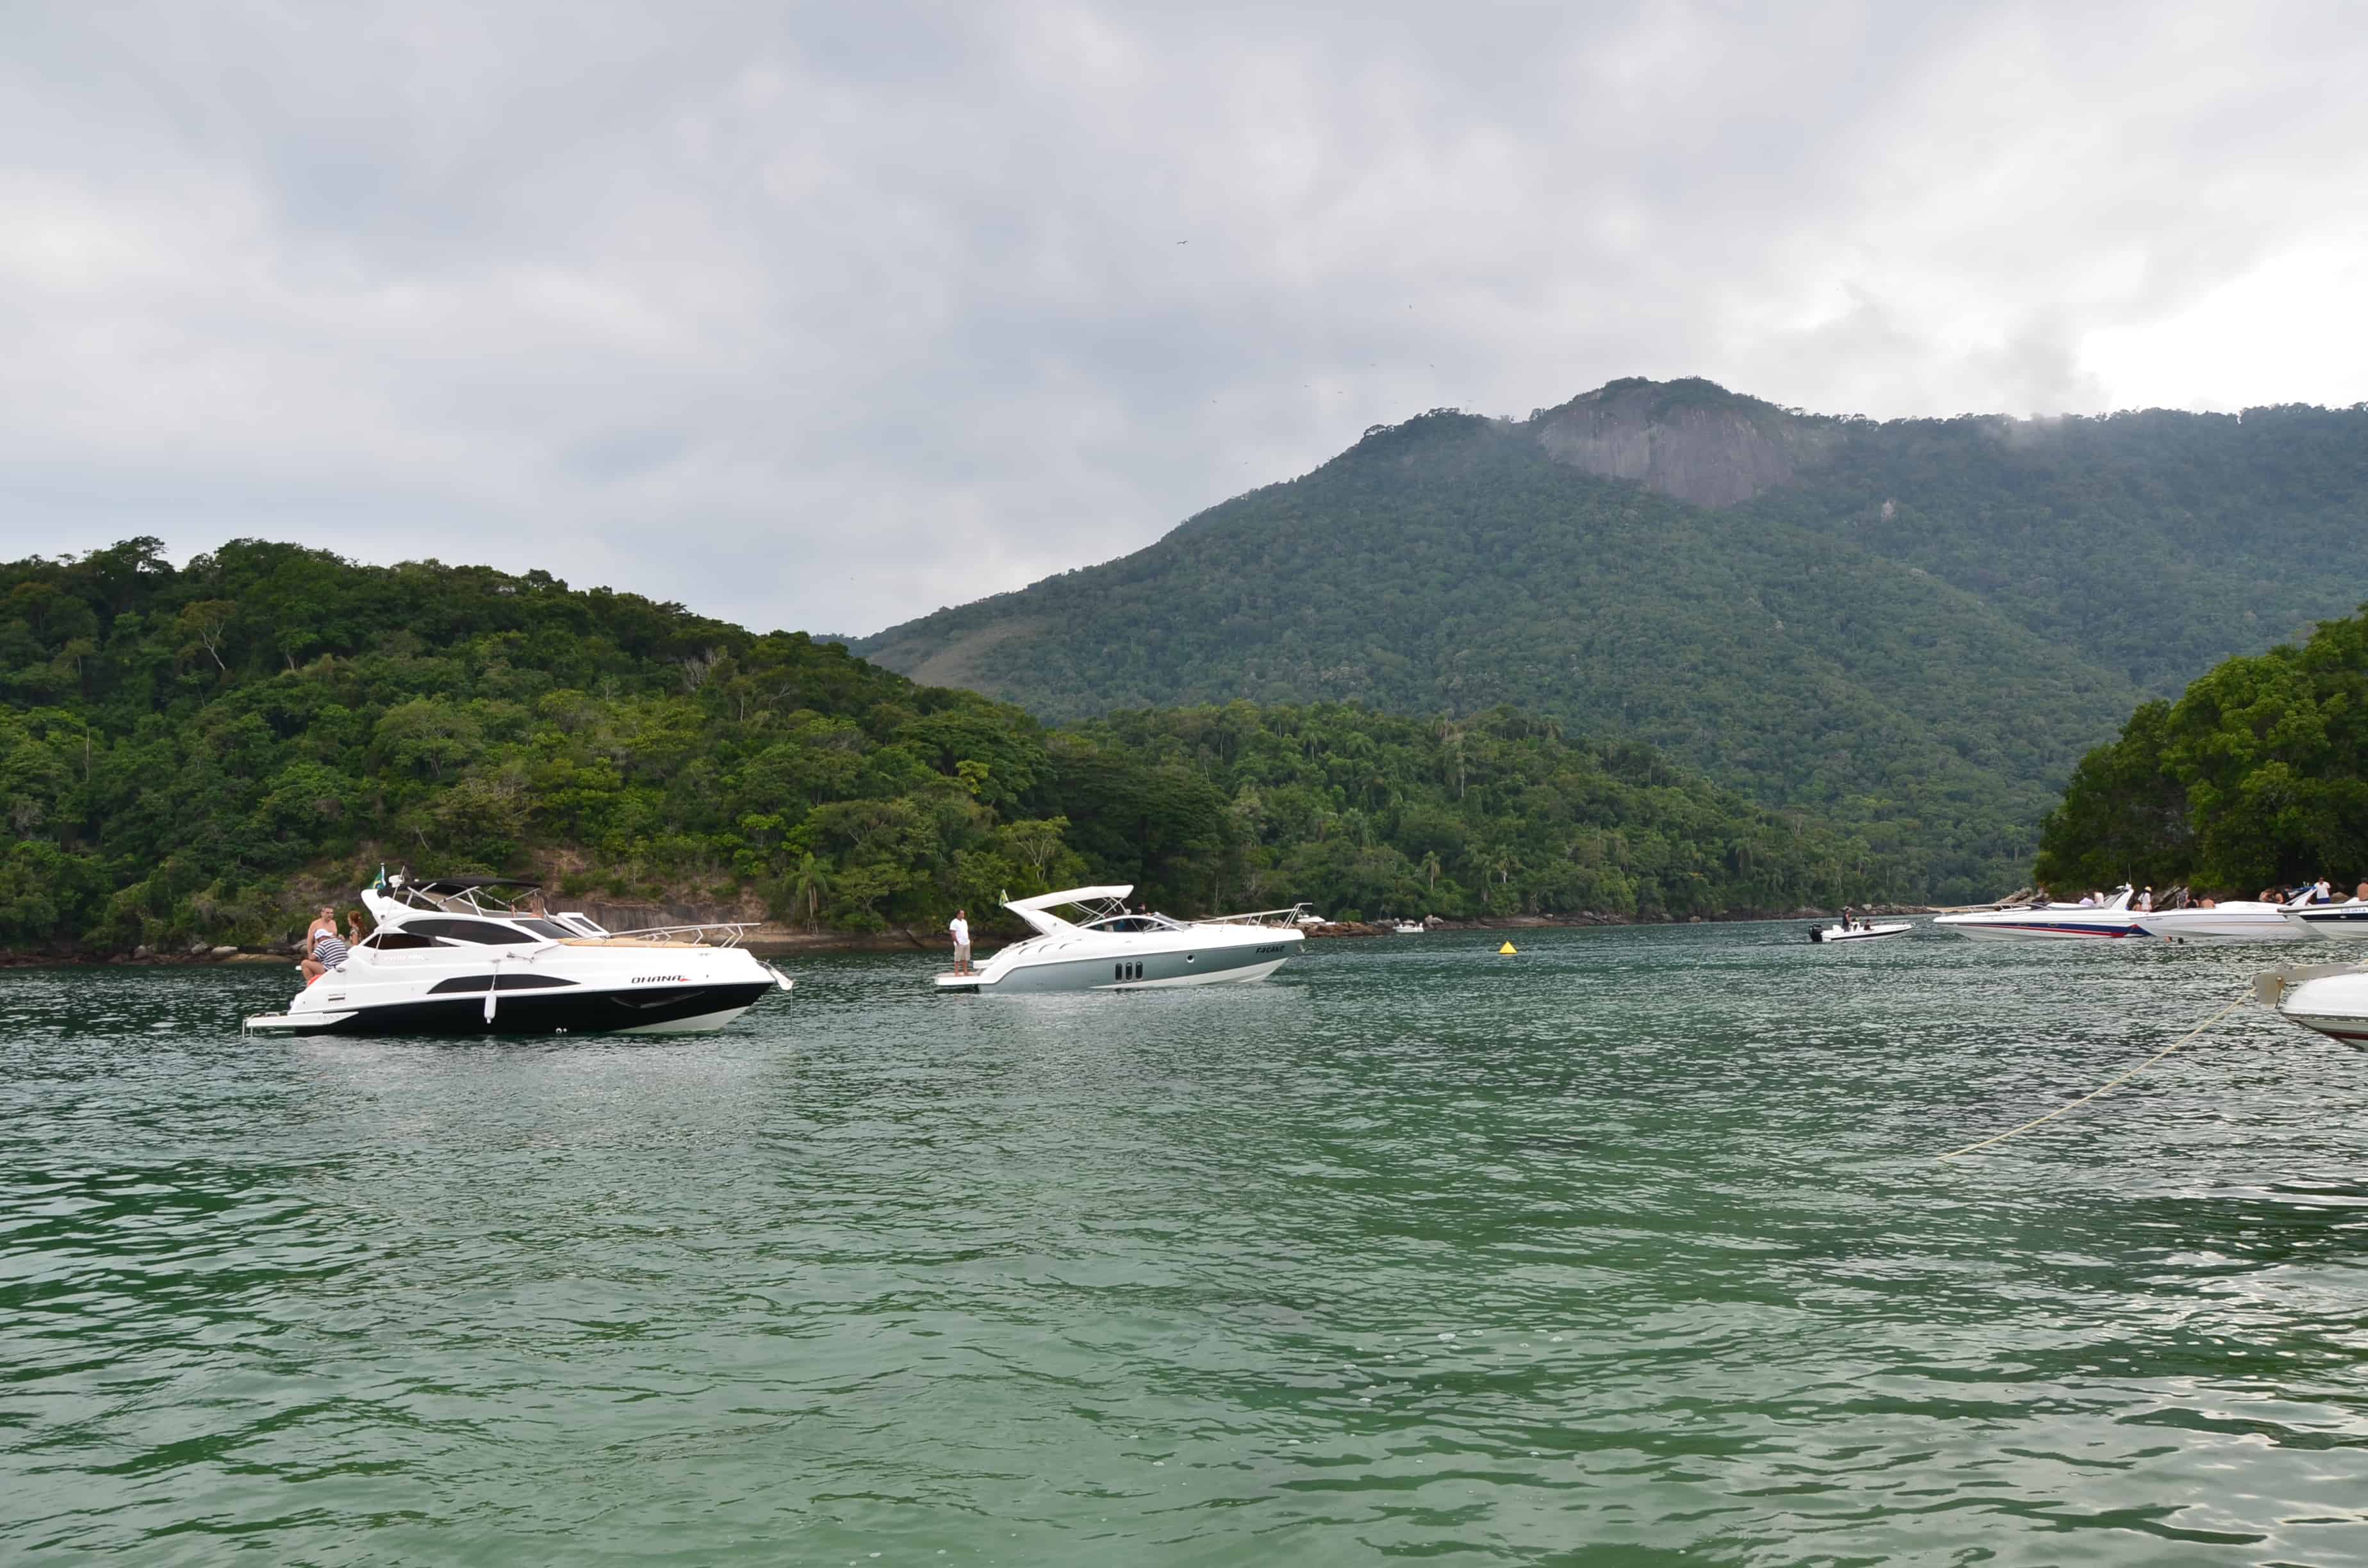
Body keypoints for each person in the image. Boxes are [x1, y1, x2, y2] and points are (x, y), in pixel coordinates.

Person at [300, 904, 347, 984]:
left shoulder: (333, 923)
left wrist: (341, 939)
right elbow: (309, 941)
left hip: (330, 955)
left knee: (305, 964)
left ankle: (315, 984)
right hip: (319, 953)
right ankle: (314, 984)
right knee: (311, 964)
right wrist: (310, 955)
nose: (330, 915)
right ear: (322, 913)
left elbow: (334, 937)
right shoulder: (315, 924)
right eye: (328, 913)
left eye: (332, 913)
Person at [950, 908, 971, 976]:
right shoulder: (954, 922)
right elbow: (952, 933)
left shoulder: (965, 921)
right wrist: (957, 942)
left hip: (966, 942)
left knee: (965, 958)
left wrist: (968, 940)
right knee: (957, 958)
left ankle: (965, 972)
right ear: (958, 914)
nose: (963, 915)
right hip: (959, 943)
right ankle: (956, 973)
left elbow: (966, 931)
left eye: (964, 913)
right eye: (962, 914)